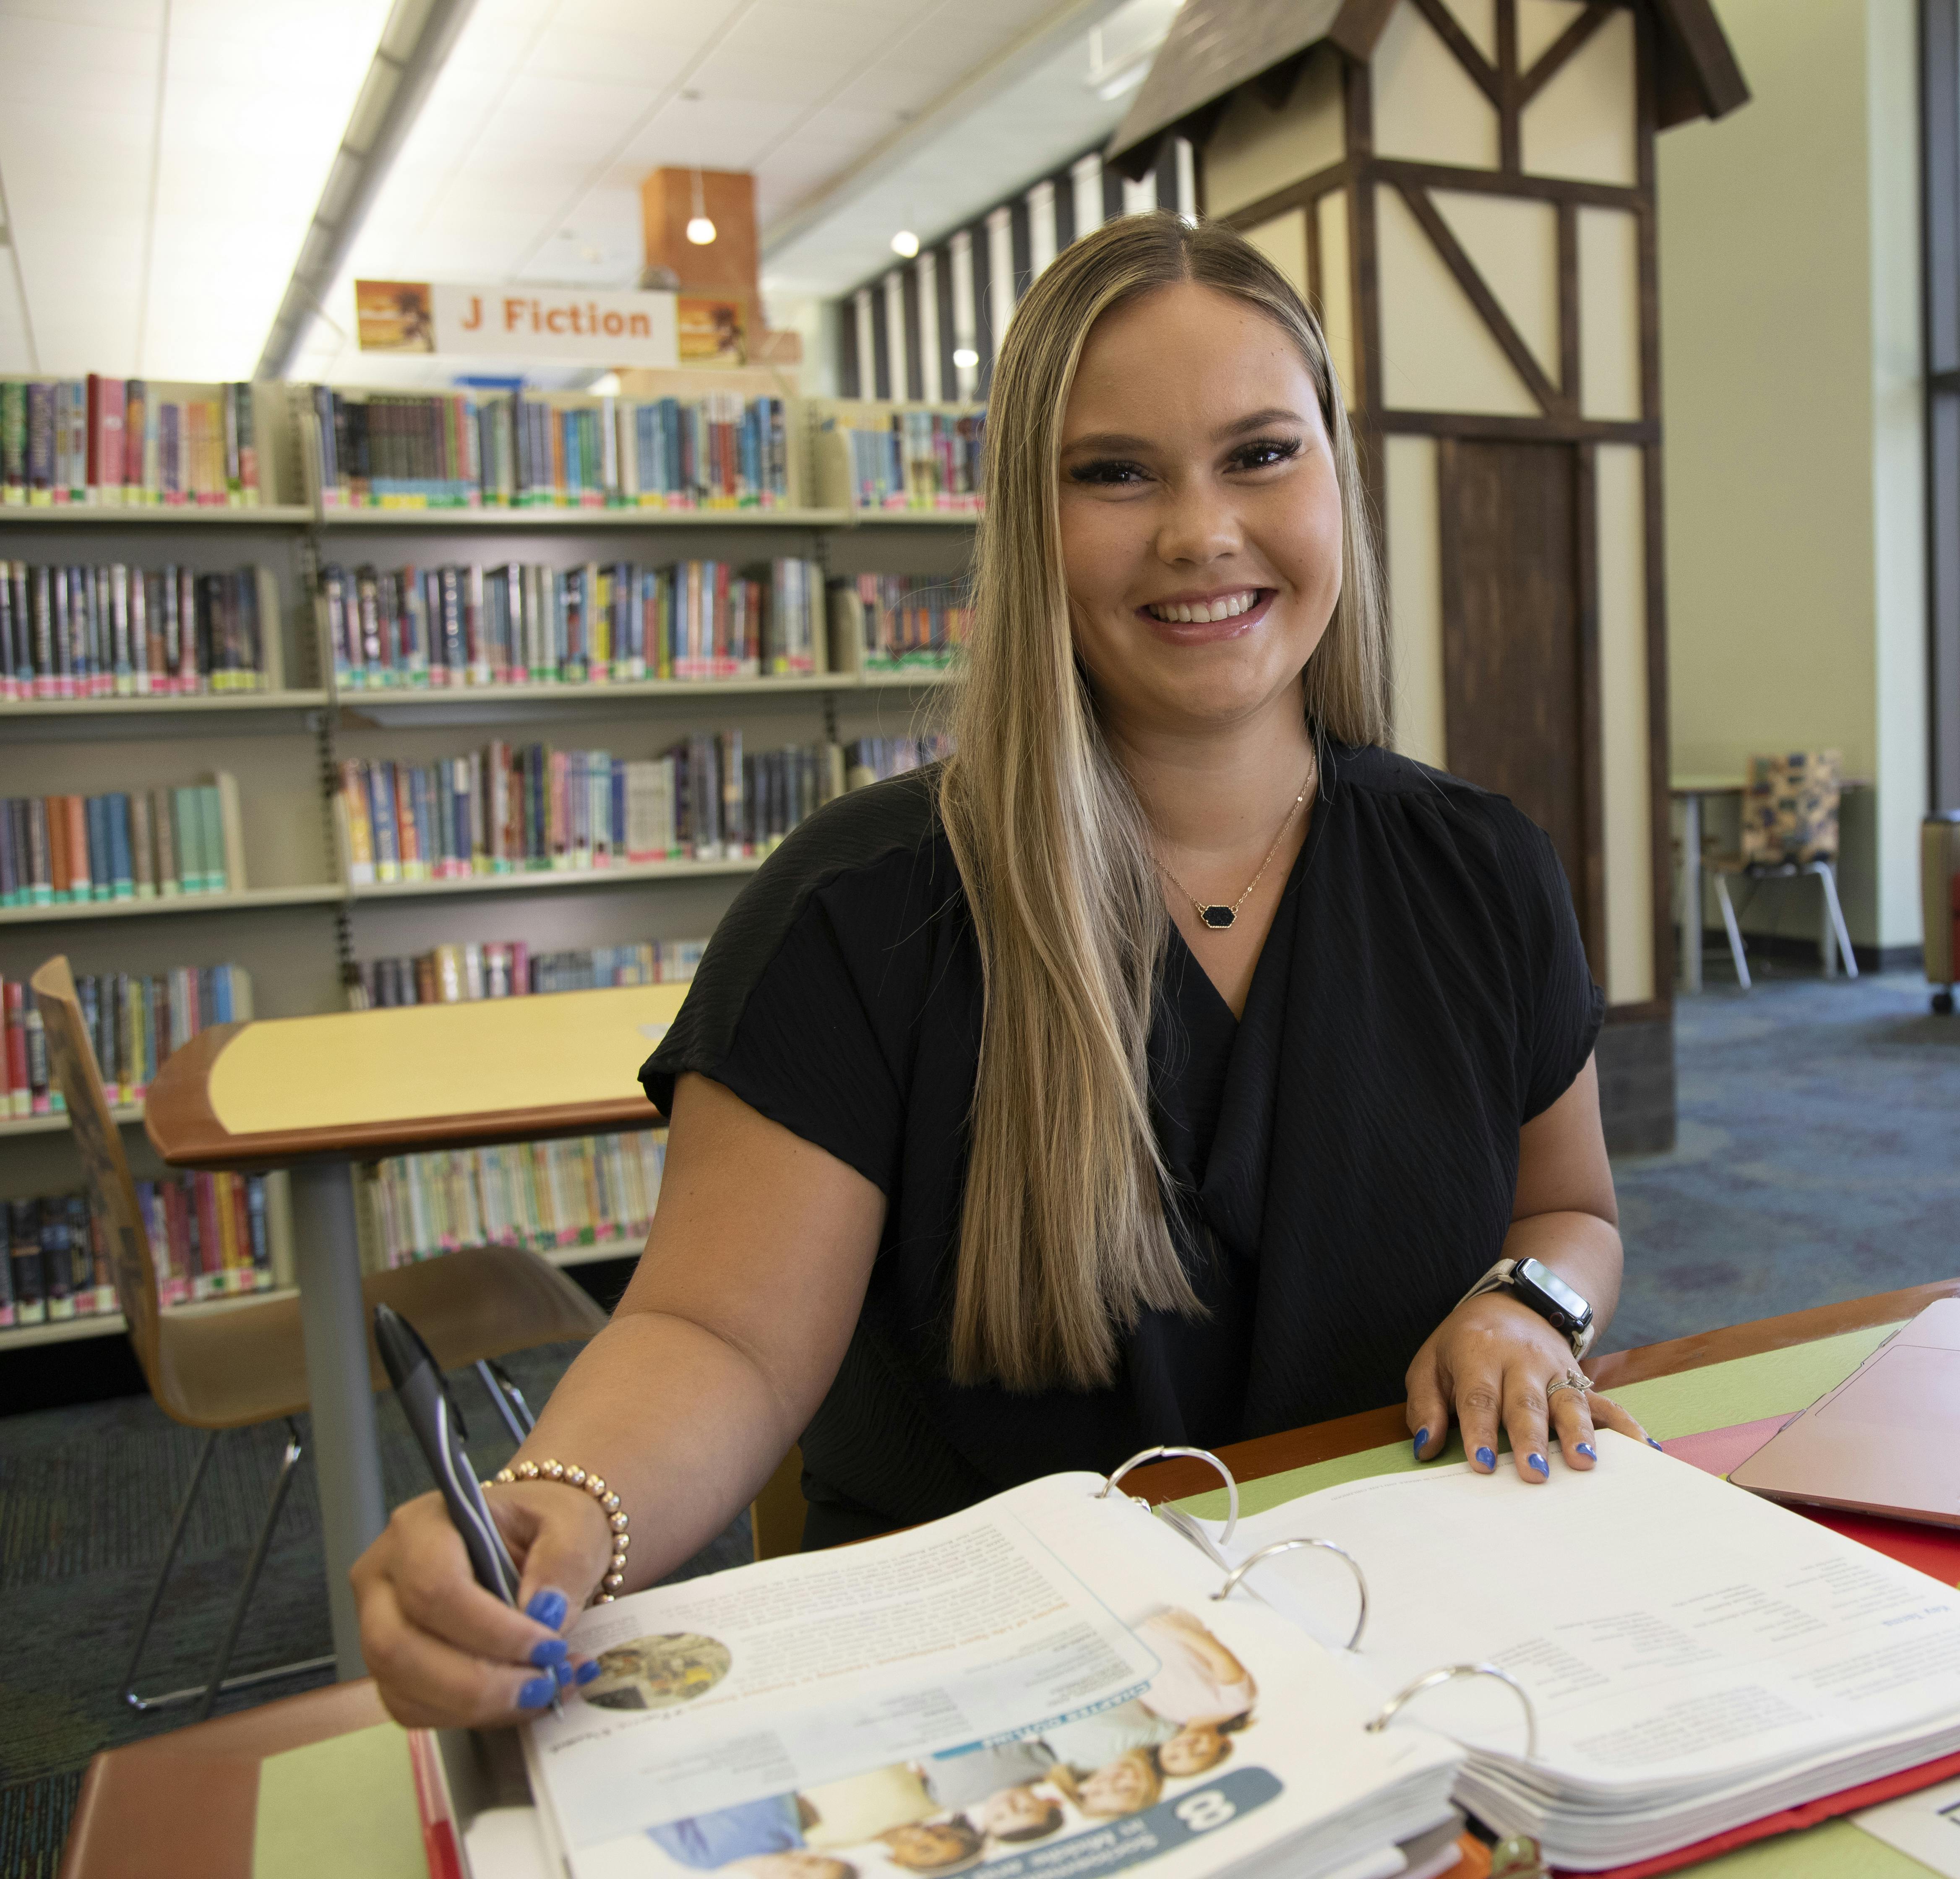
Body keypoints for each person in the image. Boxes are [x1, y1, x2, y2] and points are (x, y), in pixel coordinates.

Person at [351, 209, 1648, 1729]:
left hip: (1409, 1654)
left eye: (1260, 455)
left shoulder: (1480, 869)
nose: (1199, 531)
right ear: (1026, 522)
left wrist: (1527, 1308)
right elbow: (719, 1336)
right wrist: (566, 1501)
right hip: (1004, 1708)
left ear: (1336, 483)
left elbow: (1565, 1213)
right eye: (1115, 472)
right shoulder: (857, 912)